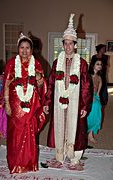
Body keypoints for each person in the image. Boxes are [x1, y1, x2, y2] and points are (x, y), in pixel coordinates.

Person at [43, 14, 93, 170]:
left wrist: (84, 105)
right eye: (65, 43)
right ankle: (60, 155)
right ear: (62, 44)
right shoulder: (57, 62)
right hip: (59, 102)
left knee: (76, 129)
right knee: (60, 126)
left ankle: (74, 159)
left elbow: (86, 86)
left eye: (71, 43)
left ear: (75, 45)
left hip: (76, 102)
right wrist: (47, 102)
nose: (68, 46)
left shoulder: (82, 63)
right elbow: (51, 83)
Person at [3, 33, 47, 174]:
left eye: (27, 47)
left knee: (30, 132)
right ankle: (16, 163)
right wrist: (7, 104)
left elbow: (41, 86)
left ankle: (29, 163)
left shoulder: (37, 63)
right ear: (18, 48)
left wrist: (40, 78)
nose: (24, 50)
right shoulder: (11, 63)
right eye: (22, 47)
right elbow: (6, 85)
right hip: (16, 104)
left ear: (31, 49)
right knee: (16, 133)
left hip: (31, 102)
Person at [87, 59, 102, 143]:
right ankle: (85, 132)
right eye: (98, 64)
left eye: (101, 64)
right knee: (91, 109)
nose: (100, 65)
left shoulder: (99, 77)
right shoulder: (88, 76)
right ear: (93, 65)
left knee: (97, 108)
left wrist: (97, 96)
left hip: (95, 97)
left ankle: (90, 134)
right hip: (87, 96)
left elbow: (99, 87)